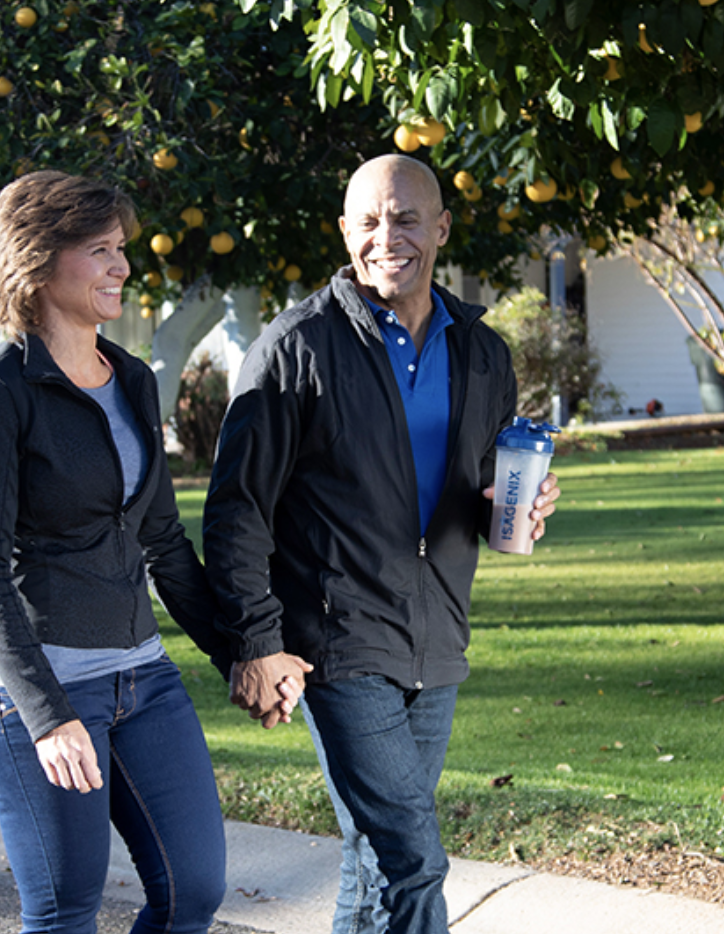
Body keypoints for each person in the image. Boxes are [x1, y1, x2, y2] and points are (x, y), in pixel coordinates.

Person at [202, 154, 561, 934]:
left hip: (437, 638)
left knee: (372, 856)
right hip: (337, 642)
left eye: (404, 219)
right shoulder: (297, 347)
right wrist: (257, 642)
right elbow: (236, 511)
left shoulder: (482, 351)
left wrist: (518, 509)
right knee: (413, 857)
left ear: (441, 227)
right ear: (344, 232)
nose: (385, 237)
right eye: (367, 221)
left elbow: (476, 487)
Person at [0, 170, 233, 934]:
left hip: (142, 677)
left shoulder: (132, 379)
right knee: (66, 910)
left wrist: (237, 654)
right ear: (38, 262)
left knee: (193, 891)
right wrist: (47, 717)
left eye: (121, 249)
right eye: (101, 250)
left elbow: (164, 540)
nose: (123, 267)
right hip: (35, 693)